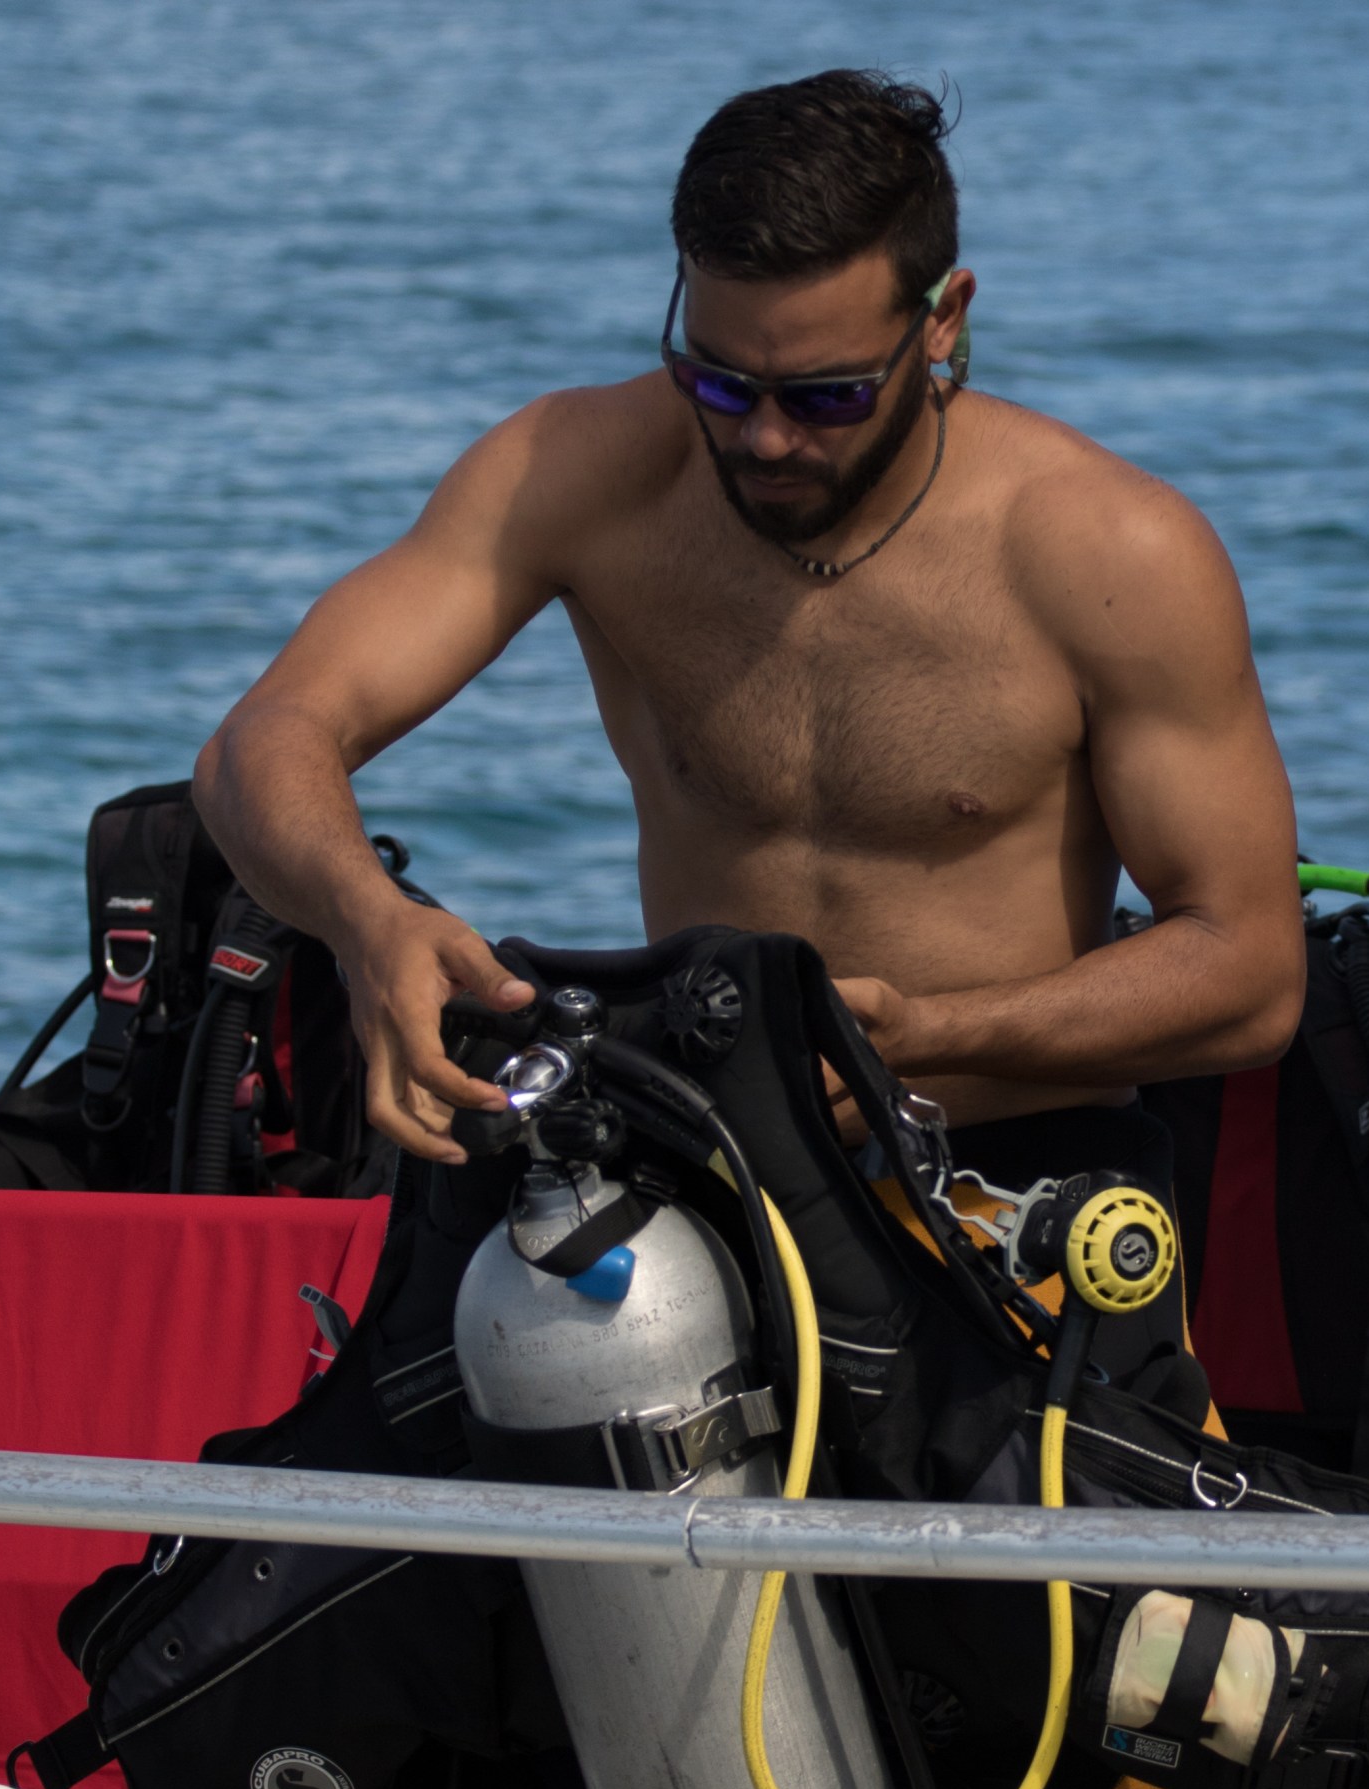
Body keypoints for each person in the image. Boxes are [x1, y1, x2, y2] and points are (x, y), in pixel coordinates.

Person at [193, 69, 1304, 1200]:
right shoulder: (579, 473)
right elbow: (261, 743)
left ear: (944, 320)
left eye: (825, 396)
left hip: (1013, 1183)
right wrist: (366, 923)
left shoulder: (1112, 553)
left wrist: (928, 1031)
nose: (767, 439)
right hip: (703, 1169)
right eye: (720, 384)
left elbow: (1252, 974)